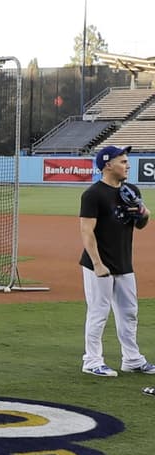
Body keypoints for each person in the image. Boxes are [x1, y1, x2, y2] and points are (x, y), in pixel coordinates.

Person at [79, 145, 153, 376]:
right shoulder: (93, 194)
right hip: (98, 264)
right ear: (107, 164)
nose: (127, 165)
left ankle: (131, 359)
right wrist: (98, 264)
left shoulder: (130, 190)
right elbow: (86, 231)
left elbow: (140, 224)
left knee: (129, 312)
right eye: (123, 161)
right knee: (99, 312)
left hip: (123, 263)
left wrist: (144, 214)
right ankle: (92, 361)